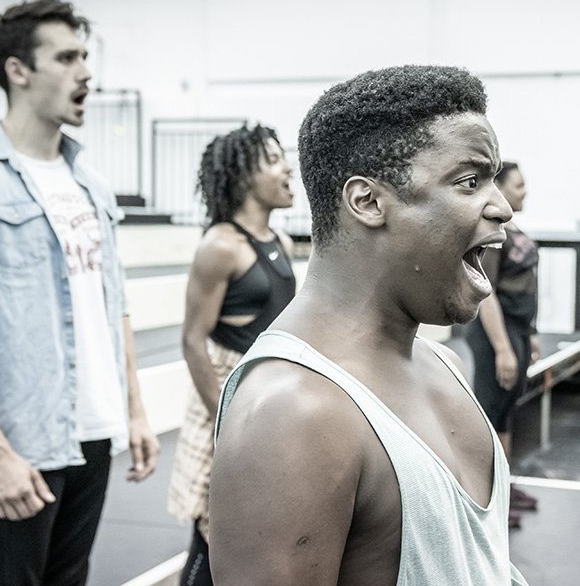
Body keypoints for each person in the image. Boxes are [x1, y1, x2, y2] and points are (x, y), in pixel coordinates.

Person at [209, 65, 527, 586]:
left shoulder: (444, 362)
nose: (503, 208)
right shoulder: (293, 413)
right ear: (369, 202)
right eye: (470, 182)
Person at [0, 0, 159, 585]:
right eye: (67, 58)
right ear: (18, 71)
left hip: (94, 431)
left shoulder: (91, 184)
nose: (86, 73)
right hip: (24, 441)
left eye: (85, 57)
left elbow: (114, 306)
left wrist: (134, 411)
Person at [167, 123, 296, 586]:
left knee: (255, 538)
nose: (288, 169)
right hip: (227, 398)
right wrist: (224, 416)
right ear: (244, 174)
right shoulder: (220, 245)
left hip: (266, 402)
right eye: (274, 160)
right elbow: (192, 339)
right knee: (211, 536)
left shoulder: (281, 242)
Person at [465, 160, 540, 529]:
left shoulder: (514, 229)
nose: (525, 191)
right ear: (500, 188)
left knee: (507, 411)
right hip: (497, 333)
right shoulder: (492, 234)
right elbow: (487, 293)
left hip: (518, 330)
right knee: (490, 414)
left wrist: (530, 334)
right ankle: (488, 500)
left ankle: (504, 488)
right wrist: (504, 349)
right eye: (519, 185)